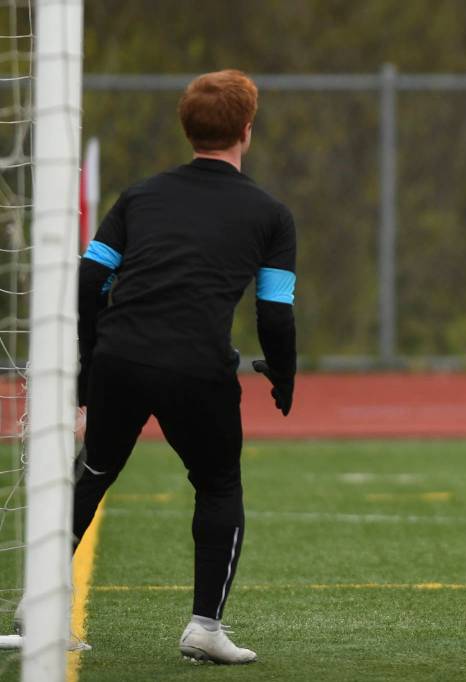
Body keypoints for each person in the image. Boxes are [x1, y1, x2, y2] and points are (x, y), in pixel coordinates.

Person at [74, 69, 297, 663]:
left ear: (186, 128)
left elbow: (91, 277)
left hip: (118, 358)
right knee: (218, 483)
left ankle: (34, 610)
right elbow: (275, 311)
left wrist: (87, 370)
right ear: (247, 130)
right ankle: (204, 627)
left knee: (92, 474)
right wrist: (283, 373)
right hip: (196, 369)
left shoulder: (140, 196)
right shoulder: (270, 214)